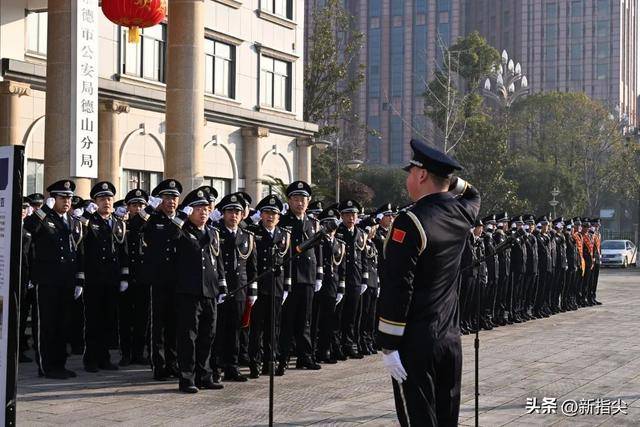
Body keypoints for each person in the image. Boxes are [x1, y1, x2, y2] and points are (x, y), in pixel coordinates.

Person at [377, 139, 480, 426]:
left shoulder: (410, 221)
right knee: (446, 420)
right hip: (449, 338)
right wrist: (447, 177)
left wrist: (388, 344)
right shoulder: (463, 212)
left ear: (421, 175)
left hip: (416, 343)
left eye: (411, 171)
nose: (408, 178)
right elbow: (474, 193)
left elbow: (399, 287)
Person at [24, 180, 85, 379]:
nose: (66, 201)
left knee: (62, 325)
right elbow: (29, 226)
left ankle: (60, 364)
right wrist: (42, 210)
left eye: (68, 198)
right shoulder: (44, 218)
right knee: (47, 325)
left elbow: (77, 252)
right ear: (54, 199)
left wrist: (79, 280)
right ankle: (46, 366)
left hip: (66, 280)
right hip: (47, 280)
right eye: (62, 197)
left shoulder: (73, 221)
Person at [169, 188, 227, 393]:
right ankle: (187, 378)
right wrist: (181, 217)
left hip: (210, 292)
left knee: (207, 336)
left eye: (206, 208)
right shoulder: (182, 231)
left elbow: (217, 260)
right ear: (189, 211)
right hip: (189, 292)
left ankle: (205, 375)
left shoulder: (212, 232)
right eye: (198, 208)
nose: (203, 212)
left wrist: (222, 286)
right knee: (189, 338)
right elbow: (170, 235)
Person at [80, 181, 128, 372]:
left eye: (109, 199)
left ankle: (104, 358)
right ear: (95, 202)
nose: (106, 202)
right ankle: (90, 359)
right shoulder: (89, 221)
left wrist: (124, 276)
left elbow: (123, 251)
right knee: (93, 321)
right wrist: (85, 215)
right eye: (102, 199)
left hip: (112, 279)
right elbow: (79, 242)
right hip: (94, 279)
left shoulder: (118, 223)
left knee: (108, 321)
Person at [277, 181, 323, 375]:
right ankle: (283, 358)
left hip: (308, 277)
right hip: (291, 277)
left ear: (308, 201)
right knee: (287, 319)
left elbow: (318, 249)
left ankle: (305, 357)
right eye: (295, 199)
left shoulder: (313, 223)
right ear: (289, 201)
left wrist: (319, 274)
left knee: (305, 319)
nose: (299, 203)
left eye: (303, 199)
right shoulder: (284, 222)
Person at [212, 193, 257, 382]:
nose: (234, 215)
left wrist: (252, 291)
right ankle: (216, 366)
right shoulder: (215, 233)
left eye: (237, 211)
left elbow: (252, 267)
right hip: (220, 289)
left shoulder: (247, 236)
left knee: (236, 330)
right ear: (223, 213)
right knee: (218, 330)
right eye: (230, 211)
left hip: (240, 288)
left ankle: (232, 365)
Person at [246, 195, 292, 378]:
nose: (270, 217)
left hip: (277, 287)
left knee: (274, 327)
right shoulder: (253, 233)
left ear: (279, 217)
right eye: (266, 213)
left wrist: (287, 286)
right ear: (261, 215)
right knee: (256, 328)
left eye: (274, 214)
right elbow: (252, 263)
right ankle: (253, 362)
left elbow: (288, 262)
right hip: (259, 287)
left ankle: (269, 361)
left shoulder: (284, 235)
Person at [142, 179, 183, 380]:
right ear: (161, 200)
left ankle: (172, 363)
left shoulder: (183, 220)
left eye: (174, 198)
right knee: (157, 325)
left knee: (174, 324)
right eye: (167, 197)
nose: (171, 202)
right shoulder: (153, 218)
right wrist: (149, 208)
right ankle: (158, 365)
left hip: (177, 280)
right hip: (157, 279)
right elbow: (134, 224)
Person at [119, 189, 151, 366]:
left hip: (143, 279)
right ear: (128, 207)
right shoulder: (123, 225)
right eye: (134, 205)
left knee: (142, 318)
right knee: (125, 319)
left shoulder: (150, 225)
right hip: (126, 278)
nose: (138, 208)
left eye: (141, 205)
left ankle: (139, 352)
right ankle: (126, 353)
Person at [336, 199, 368, 360]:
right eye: (348, 214)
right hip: (341, 279)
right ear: (341, 216)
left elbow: (363, 258)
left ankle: (350, 344)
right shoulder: (338, 232)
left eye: (354, 214)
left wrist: (364, 278)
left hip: (355, 279)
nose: (351, 217)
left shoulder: (360, 233)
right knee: (339, 315)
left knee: (353, 315)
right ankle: (338, 346)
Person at [314, 205, 345, 364]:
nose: (331, 227)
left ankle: (326, 350)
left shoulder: (340, 243)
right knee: (316, 319)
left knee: (329, 320)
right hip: (320, 284)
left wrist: (341, 287)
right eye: (327, 223)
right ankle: (315, 351)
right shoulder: (319, 240)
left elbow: (342, 268)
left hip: (332, 285)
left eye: (333, 223)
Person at [19, 198, 34, 363]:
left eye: (25, 207)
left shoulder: (28, 227)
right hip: (10, 276)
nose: (23, 209)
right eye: (20, 206)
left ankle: (18, 348)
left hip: (25, 277)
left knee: (22, 315)